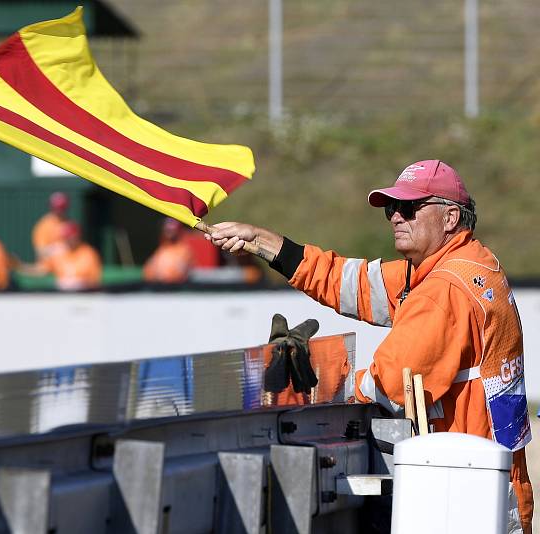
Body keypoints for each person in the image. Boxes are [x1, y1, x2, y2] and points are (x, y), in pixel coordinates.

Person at [205, 160, 532, 533]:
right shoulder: (471, 263)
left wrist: (309, 381)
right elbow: (351, 281)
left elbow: (387, 386)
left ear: (450, 217)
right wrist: (262, 242)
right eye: (392, 209)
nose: (395, 217)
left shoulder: (442, 292)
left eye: (409, 208)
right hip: (490, 474)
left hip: (465, 486)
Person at [33, 221, 101, 291]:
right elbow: (41, 270)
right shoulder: (58, 253)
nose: (68, 240)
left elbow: (94, 281)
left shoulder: (89, 253)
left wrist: (78, 283)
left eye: (71, 237)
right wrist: (22, 268)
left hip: (84, 295)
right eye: (66, 238)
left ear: (78, 237)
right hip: (61, 295)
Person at [143, 218, 193, 284]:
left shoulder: (184, 251)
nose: (170, 233)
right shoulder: (161, 250)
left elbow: (180, 275)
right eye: (168, 230)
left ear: (179, 231)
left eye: (173, 230)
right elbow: (147, 272)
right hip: (159, 288)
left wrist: (162, 276)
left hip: (175, 289)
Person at [32, 192, 70, 261]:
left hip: (66, 266)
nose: (59, 211)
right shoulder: (44, 225)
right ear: (51, 207)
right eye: (57, 207)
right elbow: (40, 253)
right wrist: (58, 249)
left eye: (62, 207)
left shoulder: (69, 223)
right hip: (48, 268)